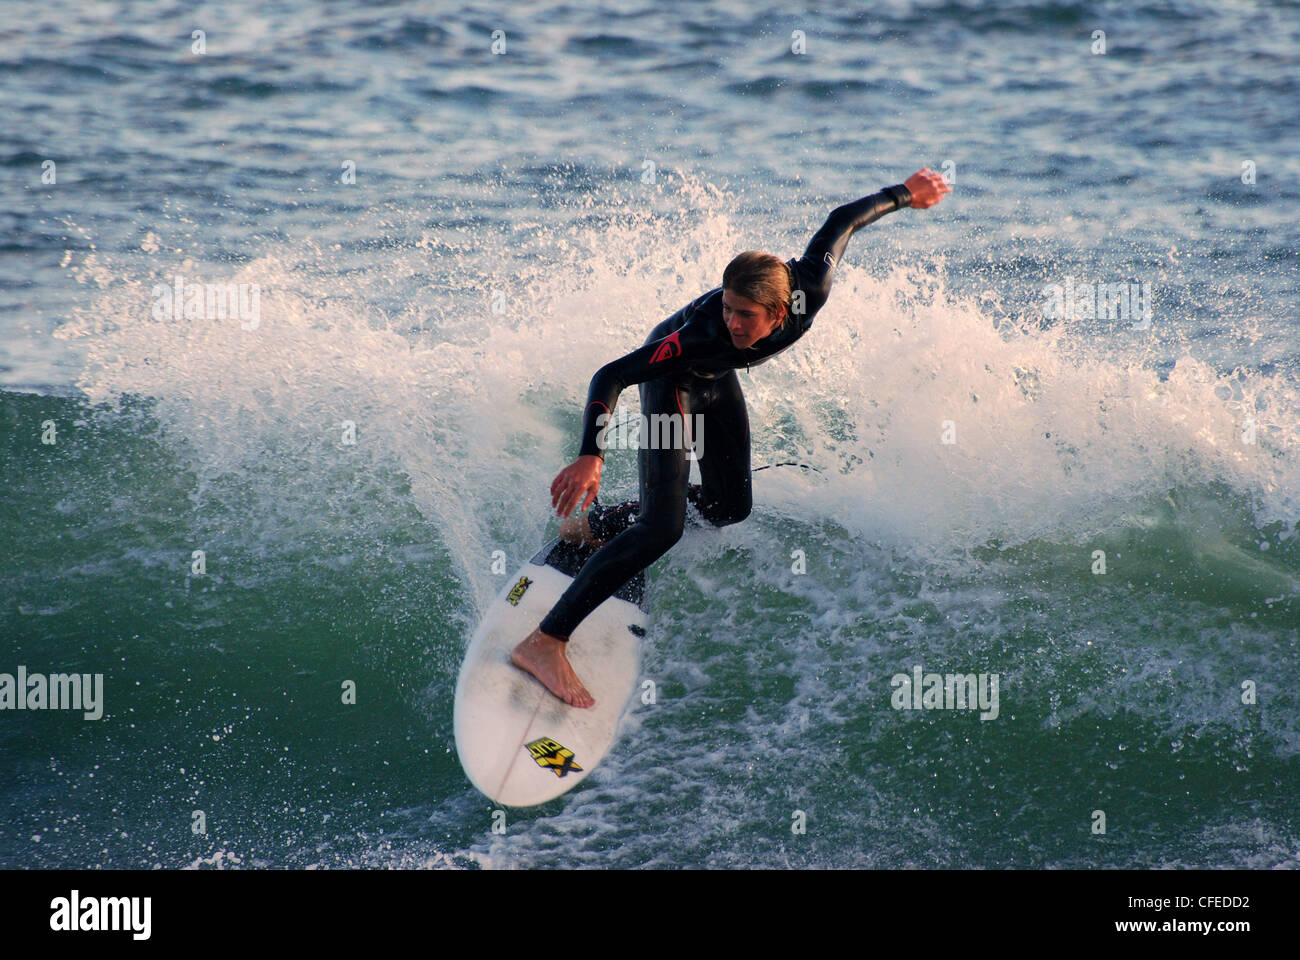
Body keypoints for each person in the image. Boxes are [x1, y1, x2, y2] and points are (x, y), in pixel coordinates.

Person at [511, 168, 952, 707]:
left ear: (778, 311)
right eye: (726, 307)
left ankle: (595, 527)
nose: (732, 323)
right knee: (661, 530)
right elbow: (613, 374)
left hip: (715, 382)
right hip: (673, 383)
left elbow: (842, 222)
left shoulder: (807, 290)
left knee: (729, 506)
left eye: (744, 315)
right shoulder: (700, 336)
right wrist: (590, 455)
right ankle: (545, 642)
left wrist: (907, 194)